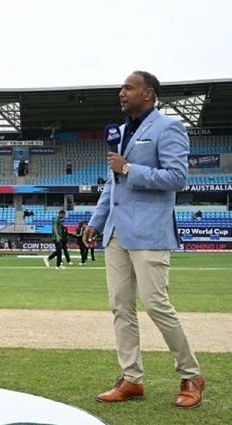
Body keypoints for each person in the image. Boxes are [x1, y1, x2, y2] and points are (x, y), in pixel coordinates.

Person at [83, 70, 204, 408]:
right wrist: (96, 221)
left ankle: (191, 374)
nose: (121, 93)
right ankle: (131, 378)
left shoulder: (169, 128)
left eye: (128, 88)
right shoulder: (120, 133)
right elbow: (113, 184)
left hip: (150, 231)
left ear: (148, 93)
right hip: (116, 233)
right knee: (120, 307)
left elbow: (177, 178)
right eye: (121, 88)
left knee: (156, 305)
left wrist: (128, 169)